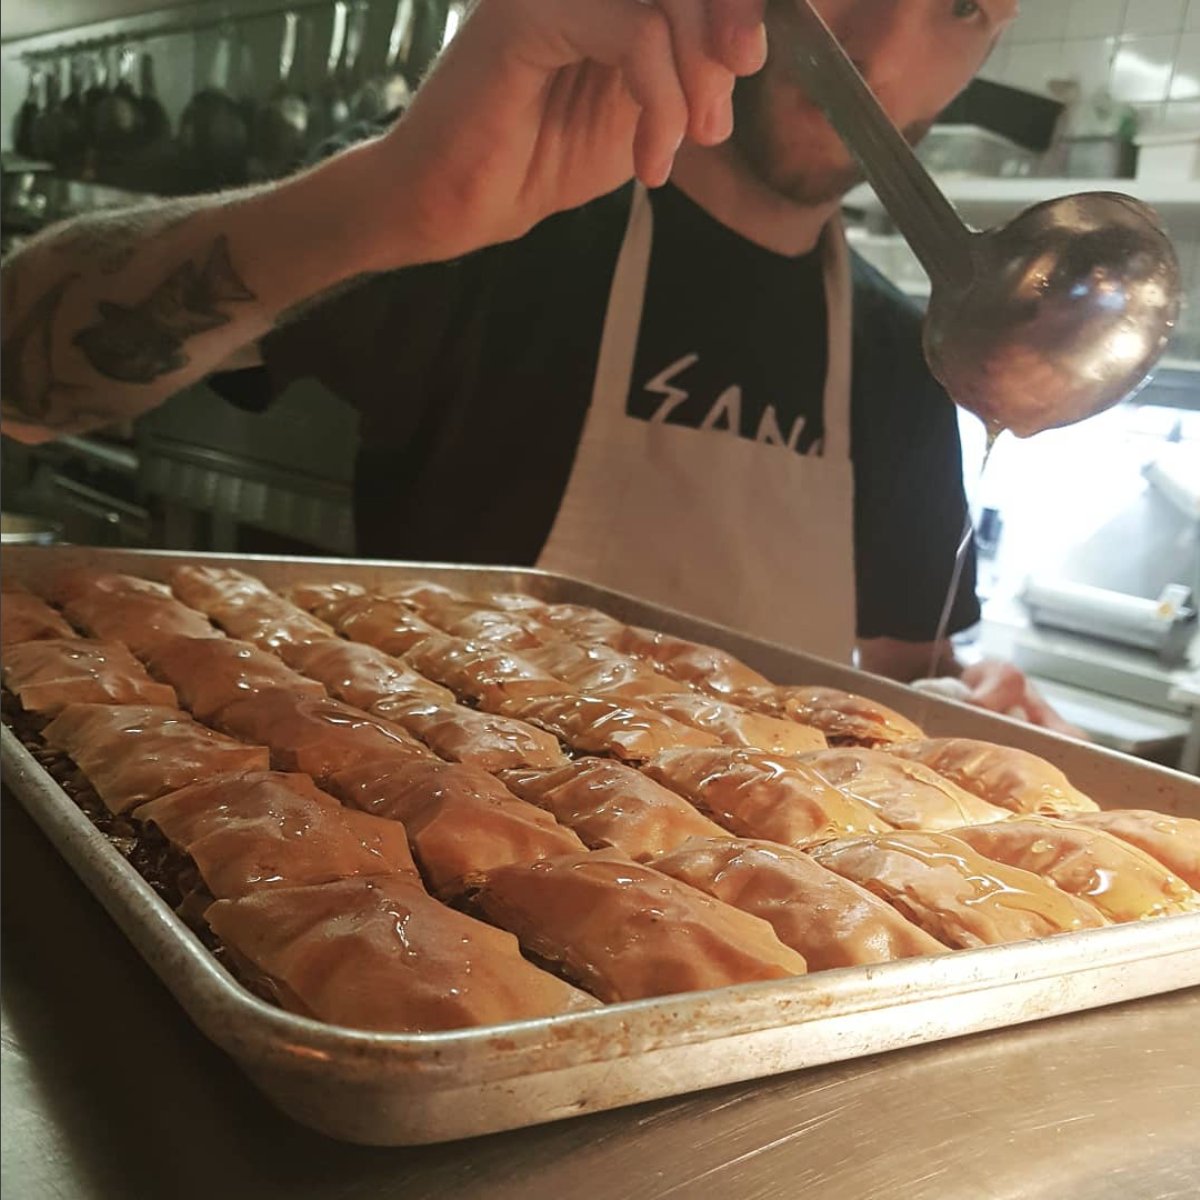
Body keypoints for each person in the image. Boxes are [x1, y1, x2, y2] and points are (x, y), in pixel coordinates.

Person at [0, 0, 1081, 736]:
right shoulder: (494, 228)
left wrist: (963, 702)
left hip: (749, 945)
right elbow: (25, 374)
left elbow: (896, 674)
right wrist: (395, 198)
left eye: (960, 4)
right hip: (427, 901)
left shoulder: (904, 356)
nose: (881, 50)